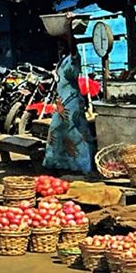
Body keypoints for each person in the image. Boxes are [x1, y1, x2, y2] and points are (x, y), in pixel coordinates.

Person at [44, 36, 94, 174]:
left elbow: (72, 47)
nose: (59, 48)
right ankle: (60, 164)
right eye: (58, 45)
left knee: (78, 133)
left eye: (62, 45)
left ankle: (84, 166)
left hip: (72, 102)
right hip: (62, 102)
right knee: (57, 132)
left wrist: (68, 27)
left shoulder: (73, 58)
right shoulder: (62, 61)